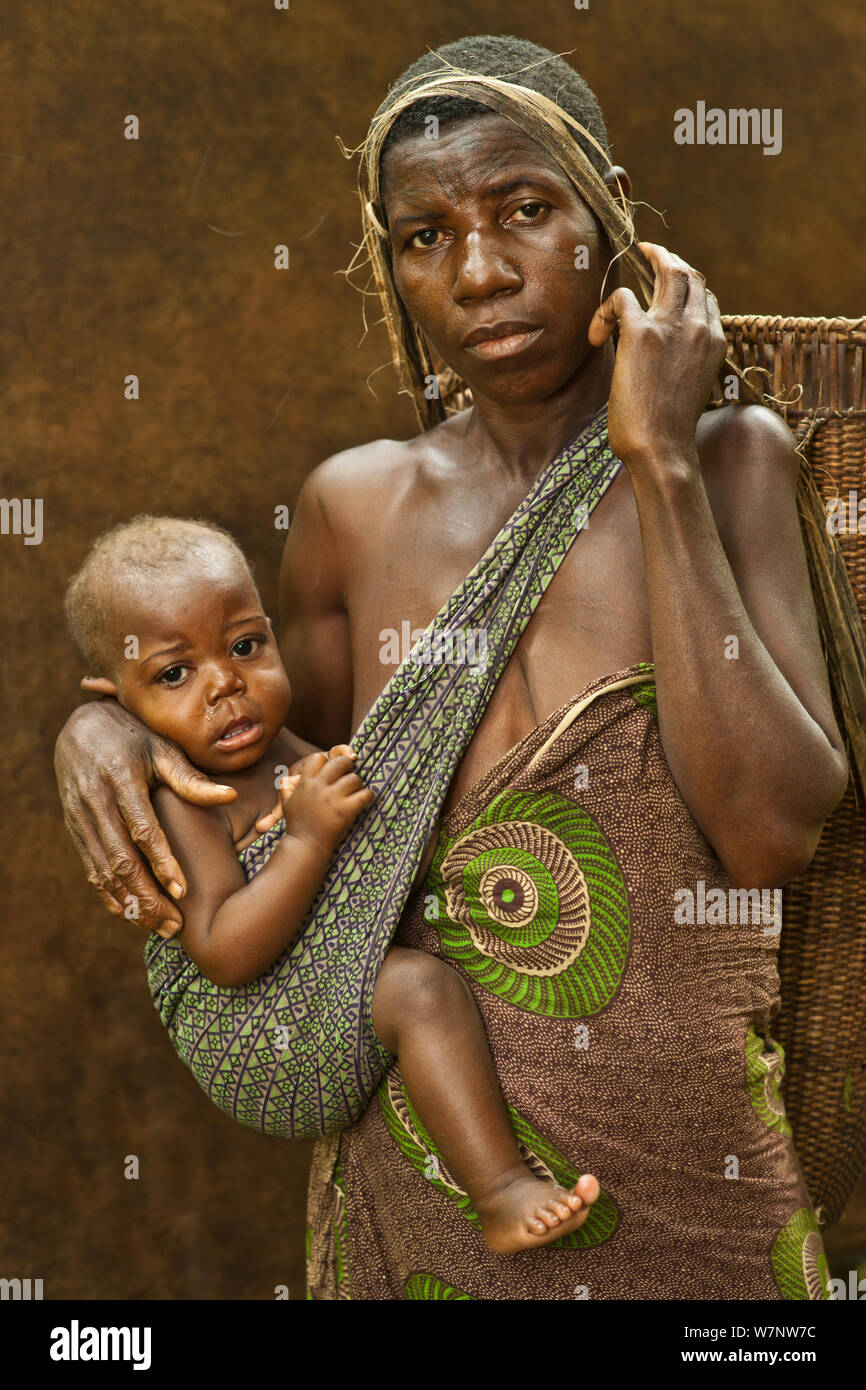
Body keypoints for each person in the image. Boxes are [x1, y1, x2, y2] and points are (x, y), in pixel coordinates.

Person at [55, 35, 849, 1299]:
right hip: (426, 1186)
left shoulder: (730, 461)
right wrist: (100, 737)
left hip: (691, 1170)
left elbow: (761, 837)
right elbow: (247, 759)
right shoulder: (356, 511)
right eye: (423, 236)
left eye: (525, 211)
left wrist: (658, 464)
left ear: (606, 221)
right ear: (392, 267)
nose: (478, 272)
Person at [62, 512, 601, 1254]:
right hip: (251, 1039)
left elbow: (374, 853)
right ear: (116, 702)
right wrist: (310, 838)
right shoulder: (179, 802)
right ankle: (502, 1190)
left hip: (314, 996)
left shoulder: (292, 747)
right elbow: (223, 951)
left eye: (246, 646)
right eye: (174, 673)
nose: (226, 684)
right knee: (416, 989)